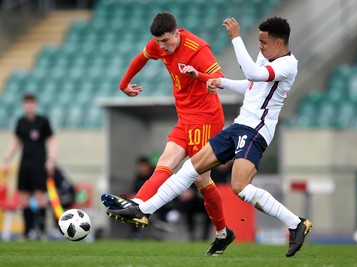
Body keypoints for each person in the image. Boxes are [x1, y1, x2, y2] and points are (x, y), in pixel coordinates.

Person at [108, 17, 312, 257]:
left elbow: (253, 74)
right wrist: (209, 79)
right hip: (239, 125)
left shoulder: (288, 65)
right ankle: (143, 209)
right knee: (189, 170)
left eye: (263, 42)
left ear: (279, 43)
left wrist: (236, 37)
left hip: (256, 130)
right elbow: (250, 86)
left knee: (240, 187)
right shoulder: (266, 58)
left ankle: (296, 223)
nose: (259, 46)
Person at [101, 12, 234, 255]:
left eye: (166, 41)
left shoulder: (197, 48)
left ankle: (223, 233)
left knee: (201, 180)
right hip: (185, 117)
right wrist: (124, 83)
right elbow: (141, 58)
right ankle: (138, 206)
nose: (162, 47)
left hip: (206, 119)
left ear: (176, 33)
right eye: (159, 42)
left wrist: (200, 76)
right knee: (165, 162)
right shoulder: (159, 44)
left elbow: (219, 79)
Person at [2, 93, 57, 239]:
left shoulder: (42, 121)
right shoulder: (21, 122)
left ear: (35, 105)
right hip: (24, 163)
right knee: (23, 197)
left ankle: (42, 230)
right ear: (23, 105)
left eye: (31, 103)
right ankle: (28, 231)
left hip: (39, 163)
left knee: (40, 196)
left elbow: (52, 140)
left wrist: (51, 159)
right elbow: (16, 141)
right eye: (27, 103)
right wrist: (6, 159)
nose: (29, 106)